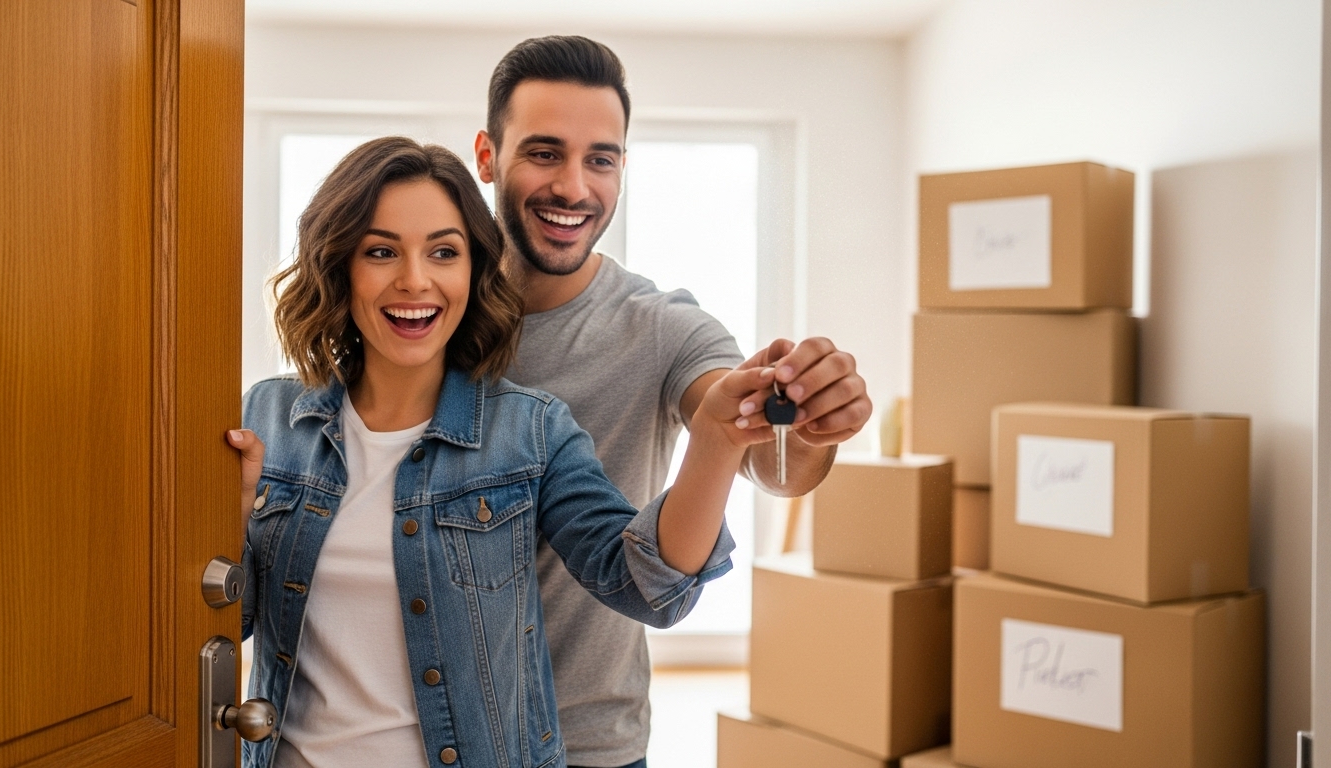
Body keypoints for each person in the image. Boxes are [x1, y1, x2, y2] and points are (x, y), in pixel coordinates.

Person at [227, 137, 783, 768]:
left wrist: (714, 441)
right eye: (381, 252)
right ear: (340, 267)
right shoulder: (267, 417)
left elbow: (646, 587)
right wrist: (235, 516)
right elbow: (224, 624)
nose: (415, 280)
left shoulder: (530, 432)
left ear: (473, 270)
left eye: (444, 252)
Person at [473, 36, 873, 768]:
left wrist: (812, 424)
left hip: (587, 744)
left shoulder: (660, 327)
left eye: (602, 158)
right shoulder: (428, 315)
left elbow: (774, 468)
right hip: (426, 733)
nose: (573, 186)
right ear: (487, 156)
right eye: (544, 153)